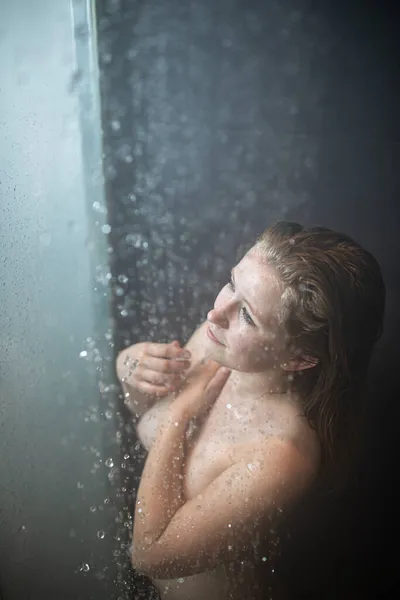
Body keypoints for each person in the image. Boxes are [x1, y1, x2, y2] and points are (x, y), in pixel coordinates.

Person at [115, 221, 385, 600]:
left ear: (299, 359)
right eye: (231, 282)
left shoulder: (279, 455)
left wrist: (179, 415)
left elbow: (148, 556)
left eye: (248, 315)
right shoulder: (222, 346)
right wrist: (130, 368)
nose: (216, 312)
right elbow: (144, 416)